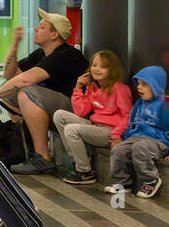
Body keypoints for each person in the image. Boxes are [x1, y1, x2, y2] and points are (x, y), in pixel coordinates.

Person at [0, 10, 88, 176]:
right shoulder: (42, 54)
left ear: (54, 34)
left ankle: (44, 158)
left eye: (41, 27)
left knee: (26, 93)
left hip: (74, 112)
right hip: (56, 109)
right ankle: (26, 143)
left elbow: (25, 80)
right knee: (9, 89)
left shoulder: (66, 55)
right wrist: (15, 44)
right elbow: (10, 74)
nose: (35, 29)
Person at [54, 50, 133, 187]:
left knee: (71, 129)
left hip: (109, 131)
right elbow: (81, 111)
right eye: (94, 65)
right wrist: (79, 88)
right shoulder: (94, 88)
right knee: (59, 115)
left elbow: (128, 115)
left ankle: (85, 172)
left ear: (112, 69)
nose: (96, 69)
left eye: (102, 66)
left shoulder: (120, 89)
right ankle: (77, 159)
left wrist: (115, 135)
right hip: (95, 126)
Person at [108, 66, 169, 199]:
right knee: (119, 150)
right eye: (138, 84)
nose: (139, 87)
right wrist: (125, 138)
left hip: (158, 141)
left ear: (156, 85)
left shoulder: (164, 107)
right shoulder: (139, 104)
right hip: (137, 138)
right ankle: (122, 183)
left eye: (145, 85)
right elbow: (132, 124)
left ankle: (150, 180)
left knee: (140, 147)